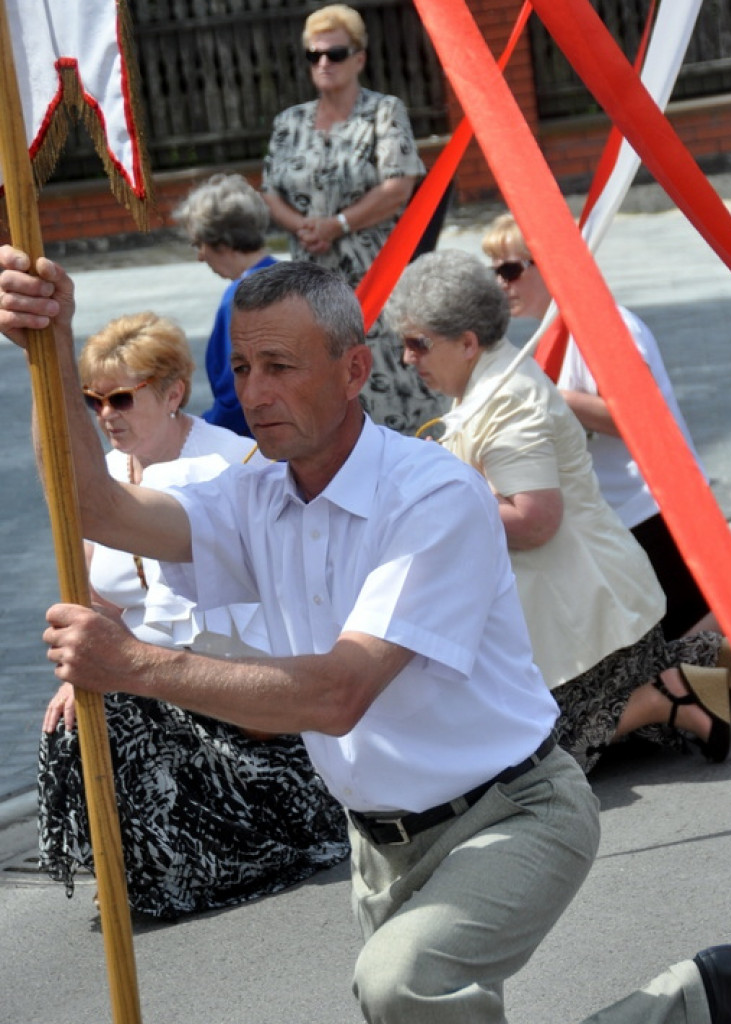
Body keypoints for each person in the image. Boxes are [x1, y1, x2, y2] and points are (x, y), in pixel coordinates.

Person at [1, 246, 731, 1024]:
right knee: (410, 1003)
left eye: (279, 366)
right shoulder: (252, 496)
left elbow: (339, 693)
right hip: (378, 844)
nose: (254, 393)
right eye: (242, 368)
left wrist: (135, 665)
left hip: (513, 811)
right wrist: (50, 347)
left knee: (403, 986)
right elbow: (90, 504)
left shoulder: (433, 495)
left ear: (354, 370)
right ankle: (697, 1004)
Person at [38, 311, 349, 919]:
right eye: (93, 401)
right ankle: (142, 863)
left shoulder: (236, 463)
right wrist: (79, 670)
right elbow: (99, 601)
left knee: (122, 705)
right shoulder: (104, 476)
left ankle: (209, 857)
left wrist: (123, 667)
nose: (106, 415)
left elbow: (272, 609)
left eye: (122, 398)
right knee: (70, 714)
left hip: (243, 680)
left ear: (172, 393)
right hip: (155, 666)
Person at [388, 250, 731, 773]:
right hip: (583, 610)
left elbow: (534, 520)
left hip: (584, 616)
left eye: (418, 343)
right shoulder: (486, 382)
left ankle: (670, 692)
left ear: (466, 342)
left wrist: (438, 493)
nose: (406, 358)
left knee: (531, 760)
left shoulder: (506, 400)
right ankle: (698, 664)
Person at [481, 212, 722, 640]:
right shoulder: (554, 338)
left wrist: (547, 395)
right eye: (494, 271)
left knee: (690, 639)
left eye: (511, 270)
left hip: (656, 505)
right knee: (675, 640)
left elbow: (638, 416)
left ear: (548, 263)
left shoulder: (606, 325)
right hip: (621, 516)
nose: (501, 283)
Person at [261, 2, 447, 434]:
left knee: (393, 374)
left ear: (359, 58)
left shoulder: (384, 112)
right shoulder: (289, 122)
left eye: (335, 53)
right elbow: (269, 191)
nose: (324, 63)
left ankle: (422, 454)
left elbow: (398, 186)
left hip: (376, 273)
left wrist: (338, 224)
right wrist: (301, 226)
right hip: (312, 280)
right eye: (314, 55)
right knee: (329, 375)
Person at [172, 172, 278, 436]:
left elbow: (238, 393)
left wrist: (198, 431)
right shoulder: (292, 277)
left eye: (199, 243)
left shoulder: (240, 299)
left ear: (221, 241)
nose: (200, 256)